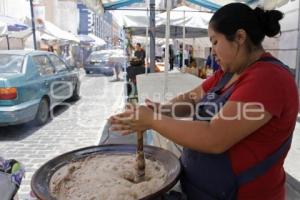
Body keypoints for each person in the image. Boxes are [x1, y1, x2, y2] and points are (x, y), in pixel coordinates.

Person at [109, 3, 298, 200]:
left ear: (240, 37)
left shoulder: (269, 79)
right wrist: (161, 110)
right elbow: (190, 100)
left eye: (215, 42)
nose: (212, 51)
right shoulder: (227, 74)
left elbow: (214, 138)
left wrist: (153, 121)